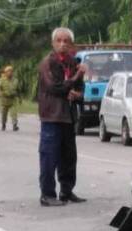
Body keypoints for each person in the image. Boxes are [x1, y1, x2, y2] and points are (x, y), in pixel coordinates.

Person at [36, 27, 87, 206]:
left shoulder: (74, 62)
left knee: (69, 157)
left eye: (66, 41)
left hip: (68, 116)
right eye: (59, 40)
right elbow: (55, 88)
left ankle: (67, 191)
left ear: (71, 44)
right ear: (53, 43)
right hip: (52, 116)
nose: (62, 44)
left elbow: (81, 88)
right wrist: (76, 76)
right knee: (49, 156)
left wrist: (77, 94)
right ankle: (47, 194)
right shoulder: (47, 63)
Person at [0, 65, 19, 131]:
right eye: (8, 71)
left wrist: (20, 98)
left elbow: (18, 89)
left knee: (14, 113)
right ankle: (3, 124)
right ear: (5, 72)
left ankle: (15, 125)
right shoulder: (2, 80)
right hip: (5, 99)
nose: (10, 73)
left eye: (11, 71)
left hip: (13, 99)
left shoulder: (15, 80)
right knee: (4, 113)